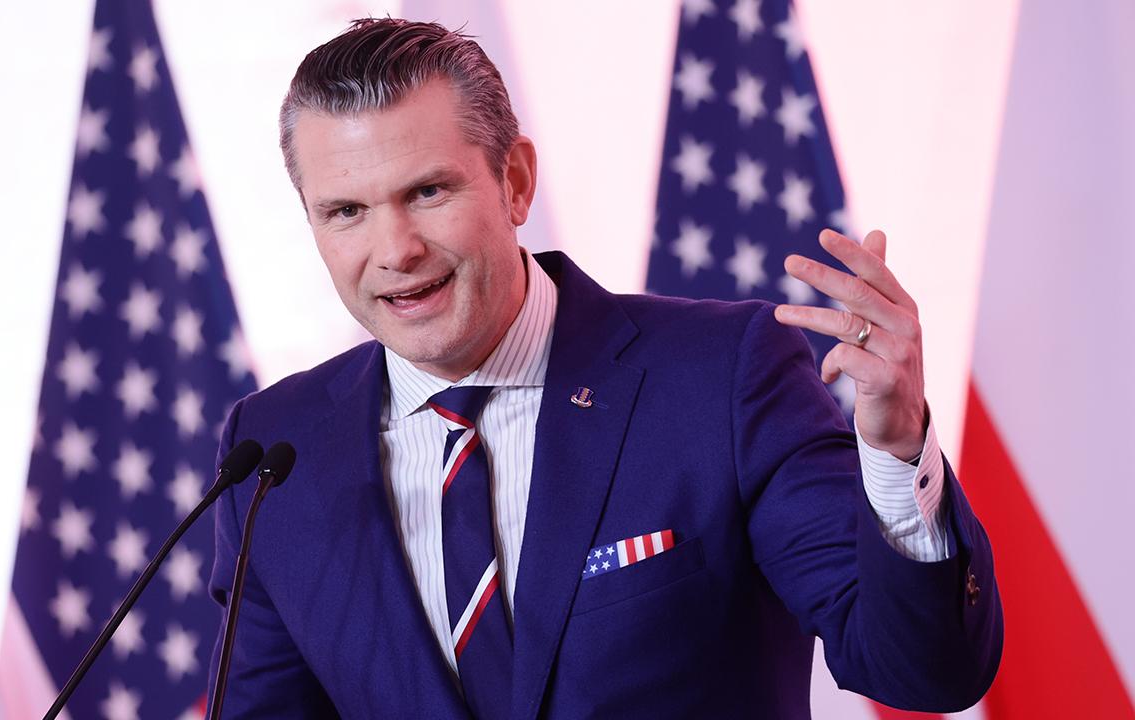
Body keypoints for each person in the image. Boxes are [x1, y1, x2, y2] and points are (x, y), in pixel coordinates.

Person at [207, 18, 1002, 719]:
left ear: (515, 182)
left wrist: (897, 448)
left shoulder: (722, 378)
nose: (395, 251)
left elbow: (923, 670)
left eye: (428, 191)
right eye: (346, 211)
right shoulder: (274, 455)